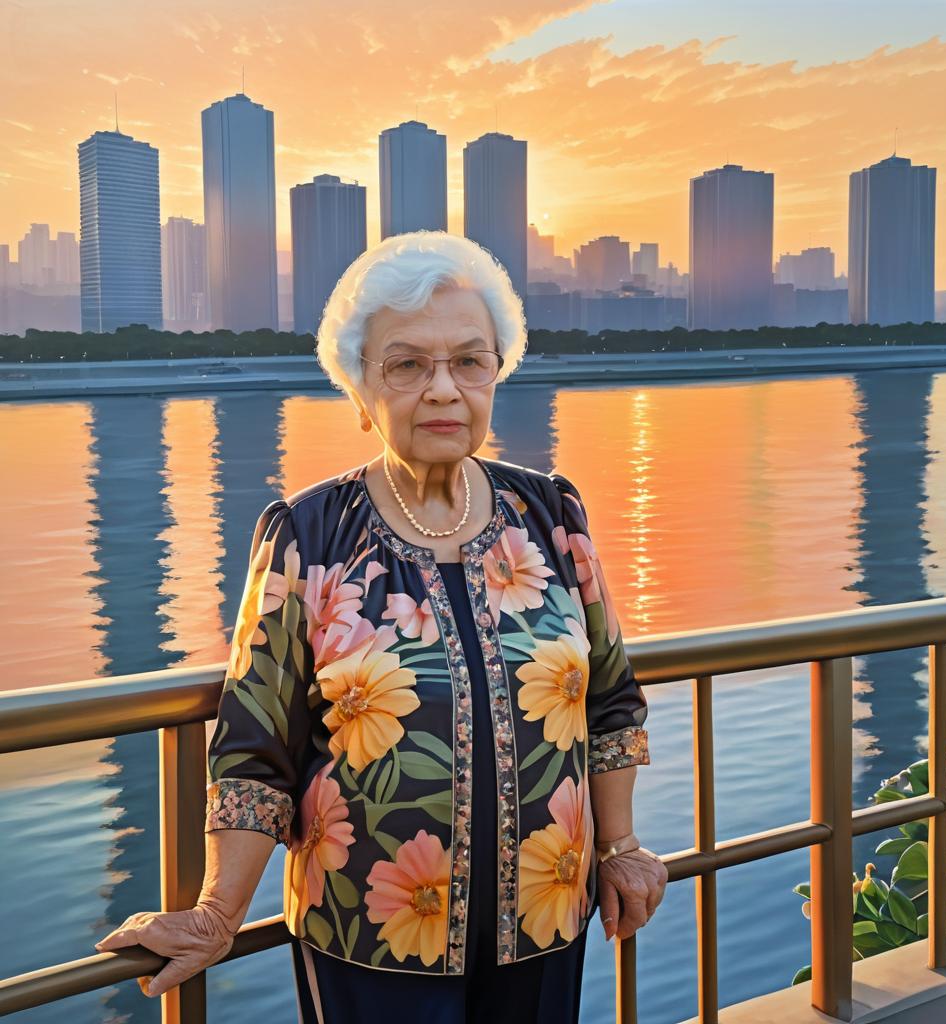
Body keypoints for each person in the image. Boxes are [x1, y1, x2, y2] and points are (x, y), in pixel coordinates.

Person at [95, 230, 667, 1022]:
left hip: (545, 922)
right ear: (360, 390)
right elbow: (255, 748)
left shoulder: (551, 511)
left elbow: (609, 701)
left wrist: (620, 844)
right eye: (407, 365)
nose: (443, 389)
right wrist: (218, 910)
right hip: (368, 938)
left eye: (470, 361)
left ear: (497, 374)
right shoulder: (308, 533)